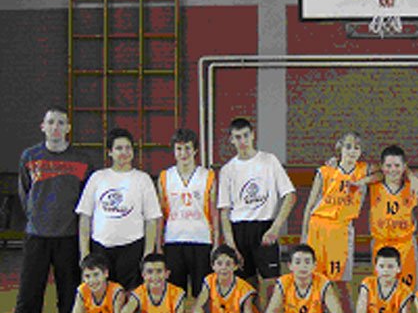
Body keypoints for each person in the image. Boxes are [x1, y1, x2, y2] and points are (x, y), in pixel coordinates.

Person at [1, 106, 93, 313]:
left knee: (68, 298)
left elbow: (86, 202)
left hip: (69, 238)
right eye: (51, 122)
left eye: (61, 122)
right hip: (37, 238)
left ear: (68, 128)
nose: (55, 127)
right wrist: (38, 219)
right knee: (28, 297)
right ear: (43, 126)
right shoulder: (30, 157)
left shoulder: (82, 160)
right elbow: (25, 194)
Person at [218, 117, 296, 302]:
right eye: (238, 137)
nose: (243, 141)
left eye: (246, 136)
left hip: (264, 227)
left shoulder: (269, 161)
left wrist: (275, 228)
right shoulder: (227, 170)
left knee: (271, 284)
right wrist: (231, 244)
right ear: (231, 140)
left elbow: (290, 196)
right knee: (246, 287)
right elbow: (224, 212)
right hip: (239, 230)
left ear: (253, 135)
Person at [76, 127, 162, 291]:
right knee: (103, 295)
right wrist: (85, 253)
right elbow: (85, 218)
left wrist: (147, 254)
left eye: (128, 148)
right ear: (110, 152)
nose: (124, 152)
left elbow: (151, 220)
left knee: (131, 296)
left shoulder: (142, 179)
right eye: (119, 148)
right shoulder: (97, 178)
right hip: (100, 248)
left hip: (132, 248)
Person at [301, 131, 372, 313]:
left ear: (361, 152)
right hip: (317, 227)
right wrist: (304, 235)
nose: (351, 151)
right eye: (348, 147)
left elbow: (382, 172)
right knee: (315, 279)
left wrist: (362, 182)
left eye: (356, 148)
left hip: (341, 230)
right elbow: (310, 204)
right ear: (340, 148)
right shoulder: (325, 171)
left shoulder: (363, 170)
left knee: (341, 282)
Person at [157, 128, 218, 297]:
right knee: (175, 294)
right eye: (179, 148)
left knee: (203, 293)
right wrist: (158, 244)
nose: (183, 153)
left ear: (195, 150)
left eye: (187, 148)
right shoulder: (165, 177)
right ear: (173, 150)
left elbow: (214, 212)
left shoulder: (208, 176)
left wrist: (216, 242)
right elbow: (160, 213)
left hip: (202, 239)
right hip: (173, 240)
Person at [368, 145, 418, 291]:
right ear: (382, 167)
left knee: (409, 289)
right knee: (383, 289)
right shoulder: (373, 185)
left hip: (405, 245)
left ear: (404, 166)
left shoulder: (412, 186)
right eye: (388, 166)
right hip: (381, 244)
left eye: (397, 165)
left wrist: (411, 176)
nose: (393, 169)